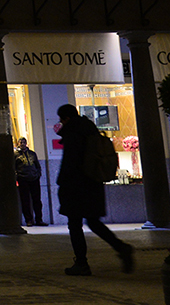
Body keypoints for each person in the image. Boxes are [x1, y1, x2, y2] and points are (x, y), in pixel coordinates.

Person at [55, 103, 133, 276]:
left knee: (74, 224)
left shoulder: (72, 132)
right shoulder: (90, 129)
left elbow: (70, 161)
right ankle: (121, 247)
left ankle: (81, 263)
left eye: (61, 120)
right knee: (93, 222)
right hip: (93, 183)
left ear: (66, 118)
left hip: (76, 186)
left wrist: (62, 182)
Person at [14, 136, 45, 226]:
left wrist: (38, 174)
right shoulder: (15, 155)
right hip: (23, 179)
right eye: (21, 142)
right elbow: (13, 167)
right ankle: (29, 220)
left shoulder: (32, 154)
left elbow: (37, 165)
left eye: (24, 142)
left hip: (34, 179)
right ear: (18, 144)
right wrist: (18, 176)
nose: (22, 144)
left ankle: (39, 219)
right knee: (25, 200)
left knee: (37, 200)